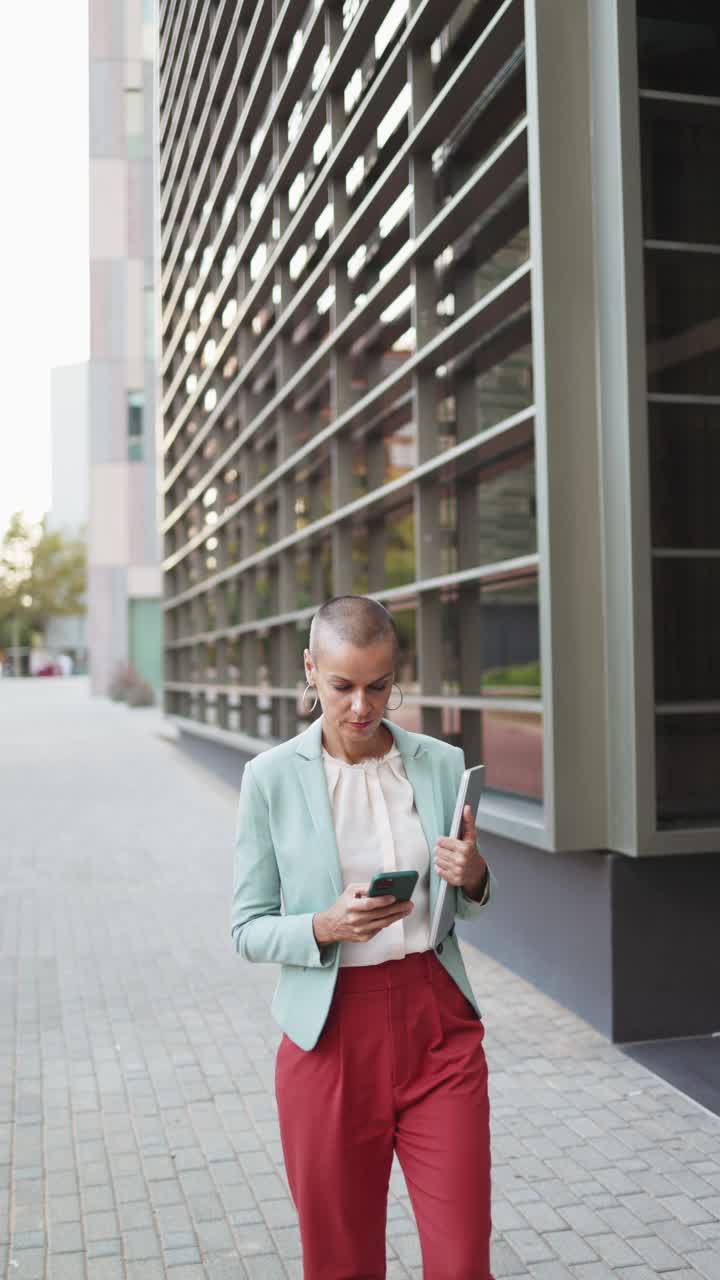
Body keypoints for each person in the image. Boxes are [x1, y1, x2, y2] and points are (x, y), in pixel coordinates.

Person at [231, 596, 495, 1280]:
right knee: (342, 1264)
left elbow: (460, 904)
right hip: (330, 1038)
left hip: (437, 1025)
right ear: (311, 670)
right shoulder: (269, 780)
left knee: (463, 1262)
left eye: (379, 686)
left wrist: (473, 875)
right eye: (342, 686)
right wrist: (325, 925)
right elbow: (248, 928)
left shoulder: (439, 763)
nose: (361, 706)